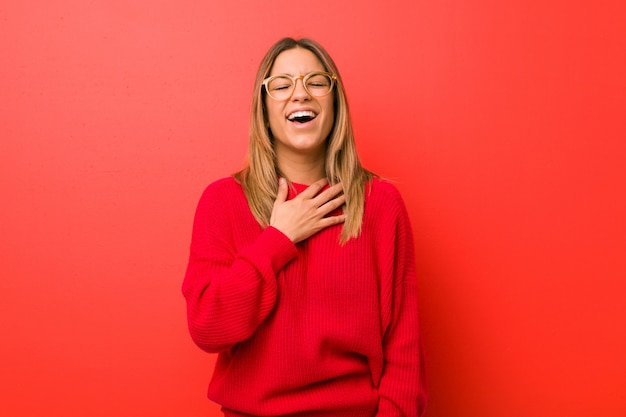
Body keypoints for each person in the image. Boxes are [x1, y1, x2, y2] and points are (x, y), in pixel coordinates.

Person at [182, 37, 427, 416]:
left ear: (334, 101)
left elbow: (403, 349)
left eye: (316, 81)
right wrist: (277, 239)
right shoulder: (223, 201)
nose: (300, 94)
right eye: (281, 85)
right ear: (263, 109)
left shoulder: (380, 204)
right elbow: (208, 327)